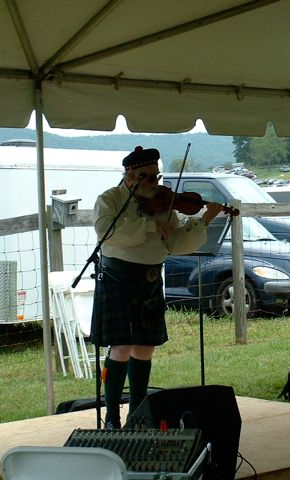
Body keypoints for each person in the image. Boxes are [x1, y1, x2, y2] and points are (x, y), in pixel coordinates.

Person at [91, 146, 224, 429]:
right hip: (117, 278)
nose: (156, 183)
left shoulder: (164, 205)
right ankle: (112, 417)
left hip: (149, 279)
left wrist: (204, 221)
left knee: (144, 348)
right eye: (149, 177)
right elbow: (107, 232)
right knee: (121, 346)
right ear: (131, 176)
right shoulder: (110, 199)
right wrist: (150, 226)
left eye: (157, 176)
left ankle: (138, 416)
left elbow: (175, 244)